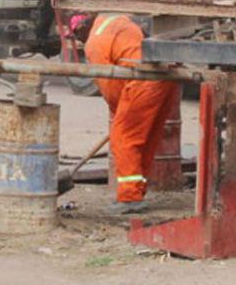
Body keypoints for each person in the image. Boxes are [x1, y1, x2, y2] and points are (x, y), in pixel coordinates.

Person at [73, 12, 180, 213]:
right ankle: (137, 190)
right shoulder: (115, 20)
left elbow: (110, 86)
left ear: (81, 30)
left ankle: (130, 198)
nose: (79, 42)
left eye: (76, 36)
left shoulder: (94, 42)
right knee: (144, 139)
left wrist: (118, 114)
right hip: (163, 79)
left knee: (123, 137)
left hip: (143, 81)